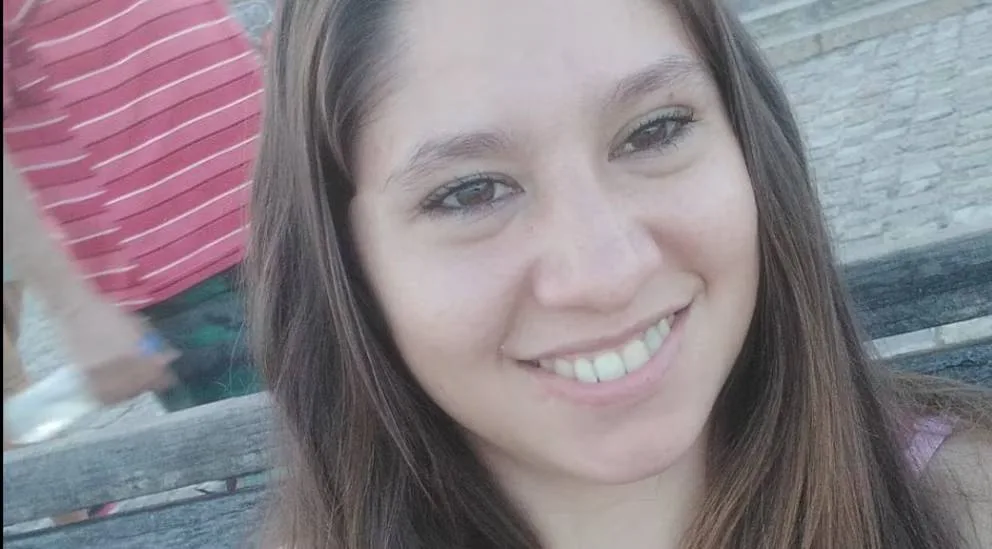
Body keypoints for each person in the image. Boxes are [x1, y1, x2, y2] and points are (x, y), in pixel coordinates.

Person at [248, 0, 992, 548]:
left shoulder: (970, 508)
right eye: (470, 192)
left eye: (654, 131)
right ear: (346, 264)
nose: (607, 275)